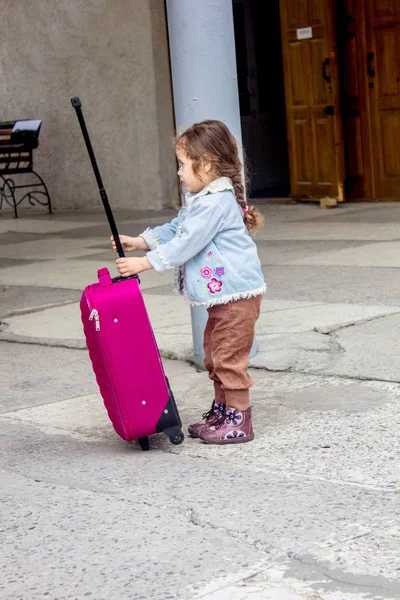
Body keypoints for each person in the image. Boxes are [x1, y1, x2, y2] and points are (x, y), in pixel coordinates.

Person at [110, 120, 266, 444]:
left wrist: (144, 264)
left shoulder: (215, 202)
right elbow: (176, 229)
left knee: (228, 357)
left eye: (182, 164)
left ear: (206, 164)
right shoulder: (202, 198)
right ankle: (222, 411)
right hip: (225, 298)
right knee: (213, 353)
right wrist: (140, 242)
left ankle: (240, 418)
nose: (179, 173)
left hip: (238, 297)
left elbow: (186, 243)